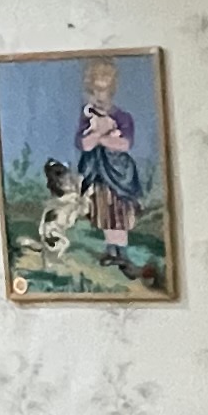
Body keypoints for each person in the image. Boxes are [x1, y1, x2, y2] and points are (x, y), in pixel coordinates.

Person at [70, 58, 147, 268]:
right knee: (104, 209)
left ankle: (121, 251)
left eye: (102, 91)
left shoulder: (122, 117)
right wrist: (98, 133)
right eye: (93, 91)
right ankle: (110, 249)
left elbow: (124, 144)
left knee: (119, 211)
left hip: (118, 171)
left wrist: (102, 137)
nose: (98, 96)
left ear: (111, 91)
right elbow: (84, 144)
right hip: (98, 172)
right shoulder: (87, 117)